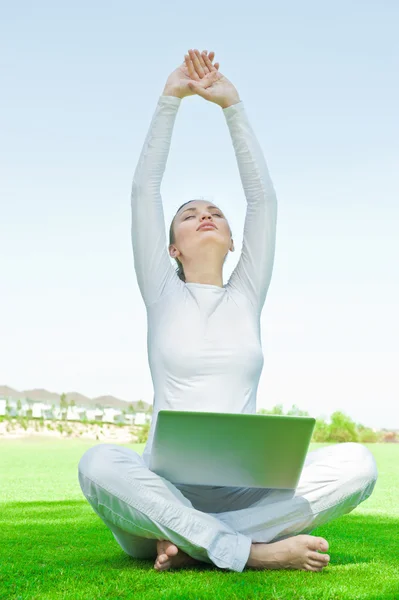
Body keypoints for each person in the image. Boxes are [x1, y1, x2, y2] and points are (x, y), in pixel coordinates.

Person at [78, 48, 378, 573]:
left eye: (215, 212)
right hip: (160, 494)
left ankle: (198, 543)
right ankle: (246, 551)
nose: (206, 216)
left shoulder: (246, 296)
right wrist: (170, 98)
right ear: (171, 248)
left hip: (240, 499)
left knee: (360, 465)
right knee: (97, 463)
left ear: (235, 239)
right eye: (190, 215)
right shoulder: (161, 294)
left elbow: (264, 200)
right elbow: (142, 189)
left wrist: (231, 105)